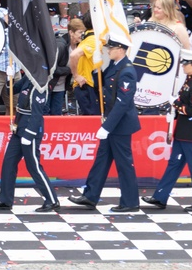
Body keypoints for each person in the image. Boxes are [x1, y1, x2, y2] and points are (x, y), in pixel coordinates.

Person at [69, 39, 140, 212]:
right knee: (101, 160)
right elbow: (102, 82)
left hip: (120, 125)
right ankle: (90, 195)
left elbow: (122, 103)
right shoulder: (115, 65)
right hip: (112, 122)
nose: (108, 51)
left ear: (121, 49)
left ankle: (130, 202)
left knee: (124, 164)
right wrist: (94, 66)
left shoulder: (127, 71)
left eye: (112, 48)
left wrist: (107, 127)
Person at [142, 49, 192, 213]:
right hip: (182, 131)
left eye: (186, 64)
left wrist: (177, 105)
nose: (183, 66)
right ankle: (160, 196)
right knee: (173, 165)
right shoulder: (188, 82)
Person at [0, 73, 59, 213]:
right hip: (19, 126)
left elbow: (37, 114)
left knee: (33, 166)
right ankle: (5, 200)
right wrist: (9, 79)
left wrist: (30, 134)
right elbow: (11, 90)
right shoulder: (28, 78)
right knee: (9, 163)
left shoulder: (40, 84)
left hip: (30, 129)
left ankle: (52, 199)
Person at [69, 13, 100, 115]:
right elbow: (73, 56)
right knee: (93, 122)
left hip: (88, 86)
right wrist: (76, 76)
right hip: (87, 86)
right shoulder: (92, 40)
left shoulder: (89, 38)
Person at [51, 18, 83, 115]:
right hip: (49, 86)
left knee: (56, 116)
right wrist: (70, 70)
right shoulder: (60, 45)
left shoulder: (79, 46)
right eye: (80, 32)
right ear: (71, 32)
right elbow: (52, 68)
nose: (82, 35)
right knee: (46, 116)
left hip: (61, 87)